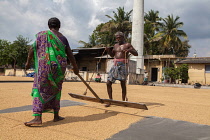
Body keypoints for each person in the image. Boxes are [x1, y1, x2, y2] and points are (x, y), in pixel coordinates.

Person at [24, 17, 79, 126]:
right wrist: (75, 68)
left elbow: (32, 49)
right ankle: (56, 115)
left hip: (45, 68)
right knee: (56, 89)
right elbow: (70, 54)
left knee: (39, 89)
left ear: (49, 26)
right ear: (59, 26)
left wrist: (27, 62)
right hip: (59, 69)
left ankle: (37, 117)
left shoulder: (42, 35)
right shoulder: (63, 38)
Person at [105, 31, 138, 107]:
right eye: (117, 38)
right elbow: (112, 55)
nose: (118, 39)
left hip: (123, 65)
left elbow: (136, 53)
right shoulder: (115, 45)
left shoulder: (127, 45)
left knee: (122, 84)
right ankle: (110, 100)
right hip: (115, 65)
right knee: (108, 82)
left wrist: (129, 50)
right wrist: (108, 50)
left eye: (119, 37)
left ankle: (123, 101)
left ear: (123, 37)